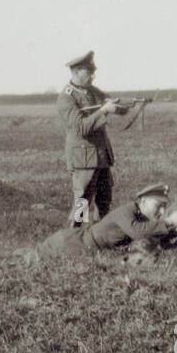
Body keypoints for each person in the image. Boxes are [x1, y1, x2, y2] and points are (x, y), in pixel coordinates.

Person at [21, 183, 177, 262]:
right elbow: (138, 232)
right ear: (144, 201)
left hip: (85, 245)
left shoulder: (142, 217)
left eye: (164, 208)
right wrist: (168, 222)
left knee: (33, 257)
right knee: (31, 258)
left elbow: (150, 235)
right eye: (158, 206)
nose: (161, 212)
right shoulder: (127, 211)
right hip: (72, 242)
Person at [57, 50, 126, 226]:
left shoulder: (92, 91)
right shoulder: (66, 97)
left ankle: (100, 235)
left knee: (104, 199)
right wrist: (103, 111)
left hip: (100, 156)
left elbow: (113, 105)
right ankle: (72, 236)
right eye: (89, 72)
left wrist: (120, 106)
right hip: (83, 158)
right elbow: (81, 127)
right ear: (76, 72)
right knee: (82, 202)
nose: (93, 76)